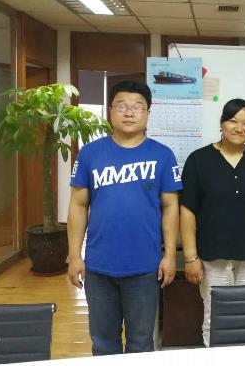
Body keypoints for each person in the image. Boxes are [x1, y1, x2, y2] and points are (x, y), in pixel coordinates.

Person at [67, 80, 182, 355]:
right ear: (110, 111)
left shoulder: (163, 155)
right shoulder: (90, 154)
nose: (129, 112)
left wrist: (169, 255)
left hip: (145, 267)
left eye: (137, 107)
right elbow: (78, 205)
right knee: (103, 343)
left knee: (141, 343)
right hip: (99, 267)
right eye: (121, 106)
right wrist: (74, 255)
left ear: (148, 113)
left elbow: (171, 207)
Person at [180, 98, 245, 346]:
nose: (239, 128)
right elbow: (187, 210)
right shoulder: (199, 160)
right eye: (233, 121)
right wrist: (190, 258)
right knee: (215, 316)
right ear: (222, 123)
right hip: (213, 255)